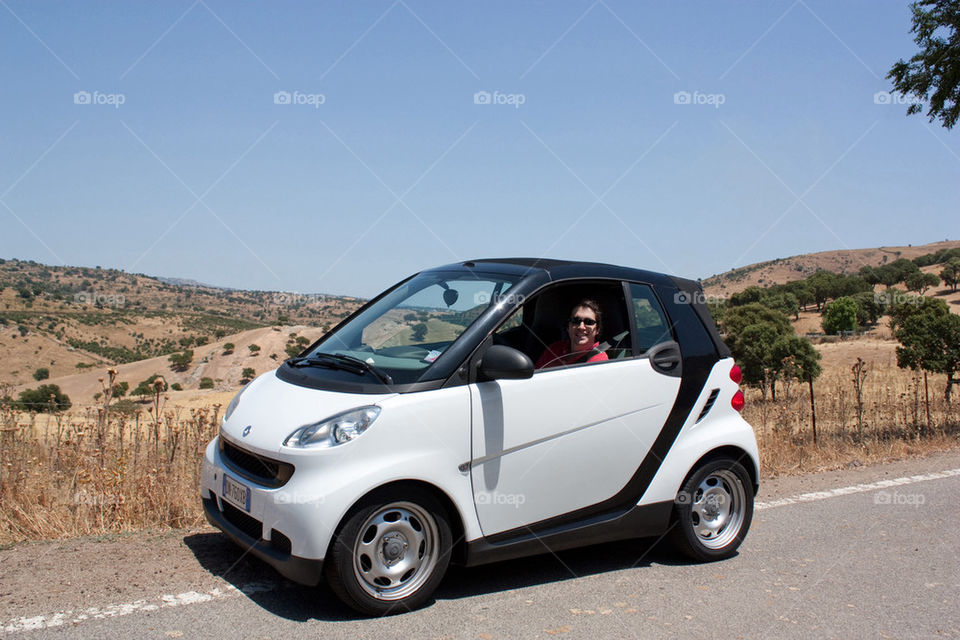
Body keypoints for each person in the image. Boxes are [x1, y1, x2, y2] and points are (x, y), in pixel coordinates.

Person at [535, 299, 610, 369]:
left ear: (597, 330)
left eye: (589, 322)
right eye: (576, 321)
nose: (581, 327)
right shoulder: (555, 348)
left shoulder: (598, 362)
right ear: (568, 327)